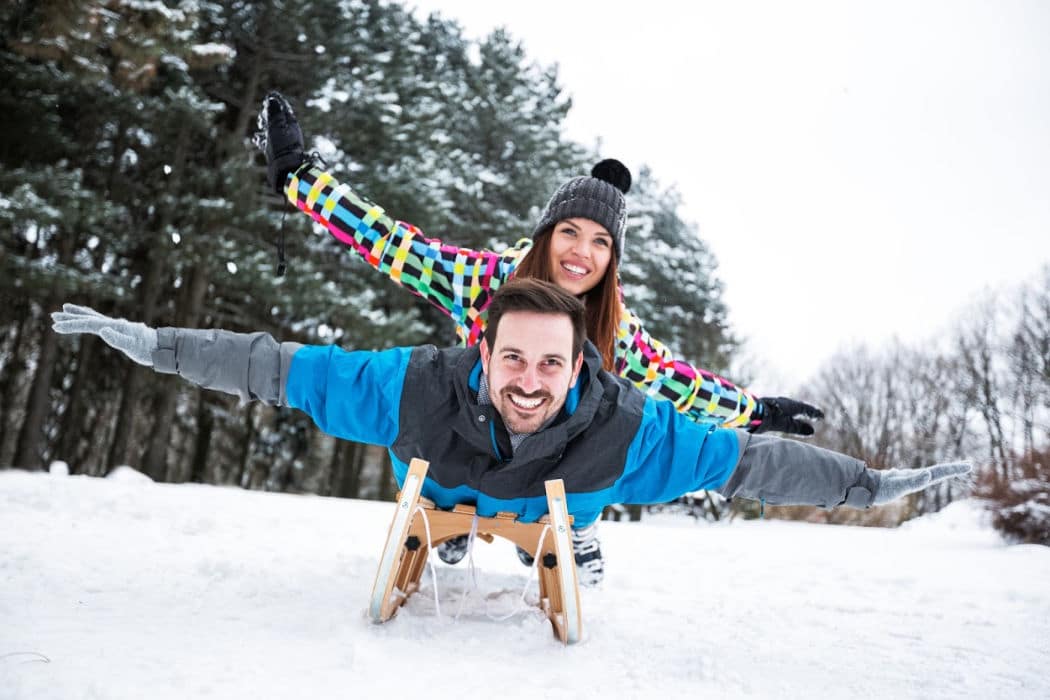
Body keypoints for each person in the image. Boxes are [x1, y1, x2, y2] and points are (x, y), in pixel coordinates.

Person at [51, 280, 970, 589]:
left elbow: (750, 463)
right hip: (448, 486)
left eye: (550, 366)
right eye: (513, 359)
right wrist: (157, 347)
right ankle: (449, 531)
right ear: (482, 351)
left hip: (560, 494)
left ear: (579, 368)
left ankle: (571, 534)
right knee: (442, 496)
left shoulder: (628, 430)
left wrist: (863, 485)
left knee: (570, 506)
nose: (530, 381)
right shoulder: (414, 386)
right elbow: (282, 368)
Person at [256, 92, 825, 579]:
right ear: (546, 236)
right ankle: (446, 503)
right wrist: (301, 178)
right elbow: (392, 246)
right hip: (473, 434)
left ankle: (573, 523)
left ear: (612, 260)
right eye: (570, 232)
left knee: (609, 422)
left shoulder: (613, 329)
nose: (582, 252)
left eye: (601, 243)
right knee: (433, 402)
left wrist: (756, 412)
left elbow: (679, 384)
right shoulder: (485, 282)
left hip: (555, 460)